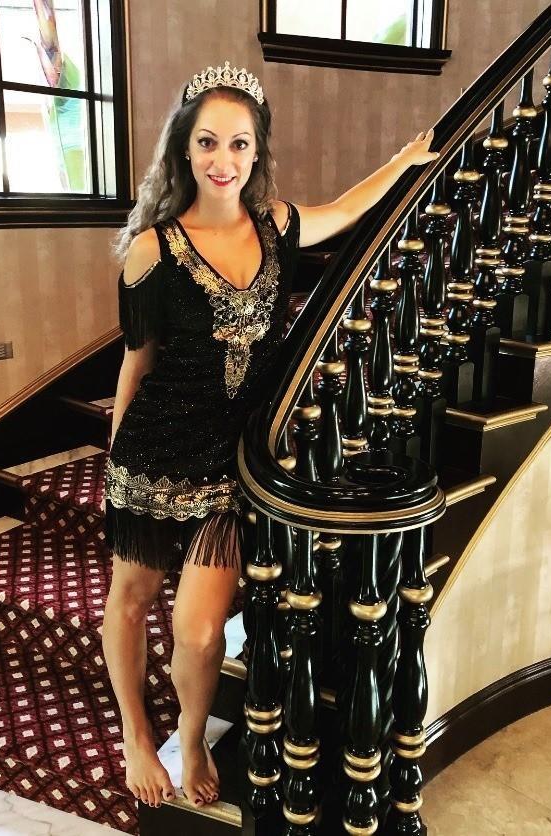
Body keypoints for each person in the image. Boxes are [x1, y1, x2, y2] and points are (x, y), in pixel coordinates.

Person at [101, 59, 439, 811]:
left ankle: (190, 736)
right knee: (130, 597)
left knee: (197, 631)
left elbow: (345, 210)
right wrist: (114, 458)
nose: (223, 160)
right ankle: (133, 733)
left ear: (256, 153)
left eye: (239, 144)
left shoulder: (278, 225)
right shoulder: (152, 249)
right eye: (208, 142)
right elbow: (136, 362)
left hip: (230, 467)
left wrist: (403, 163)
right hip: (152, 453)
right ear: (184, 149)